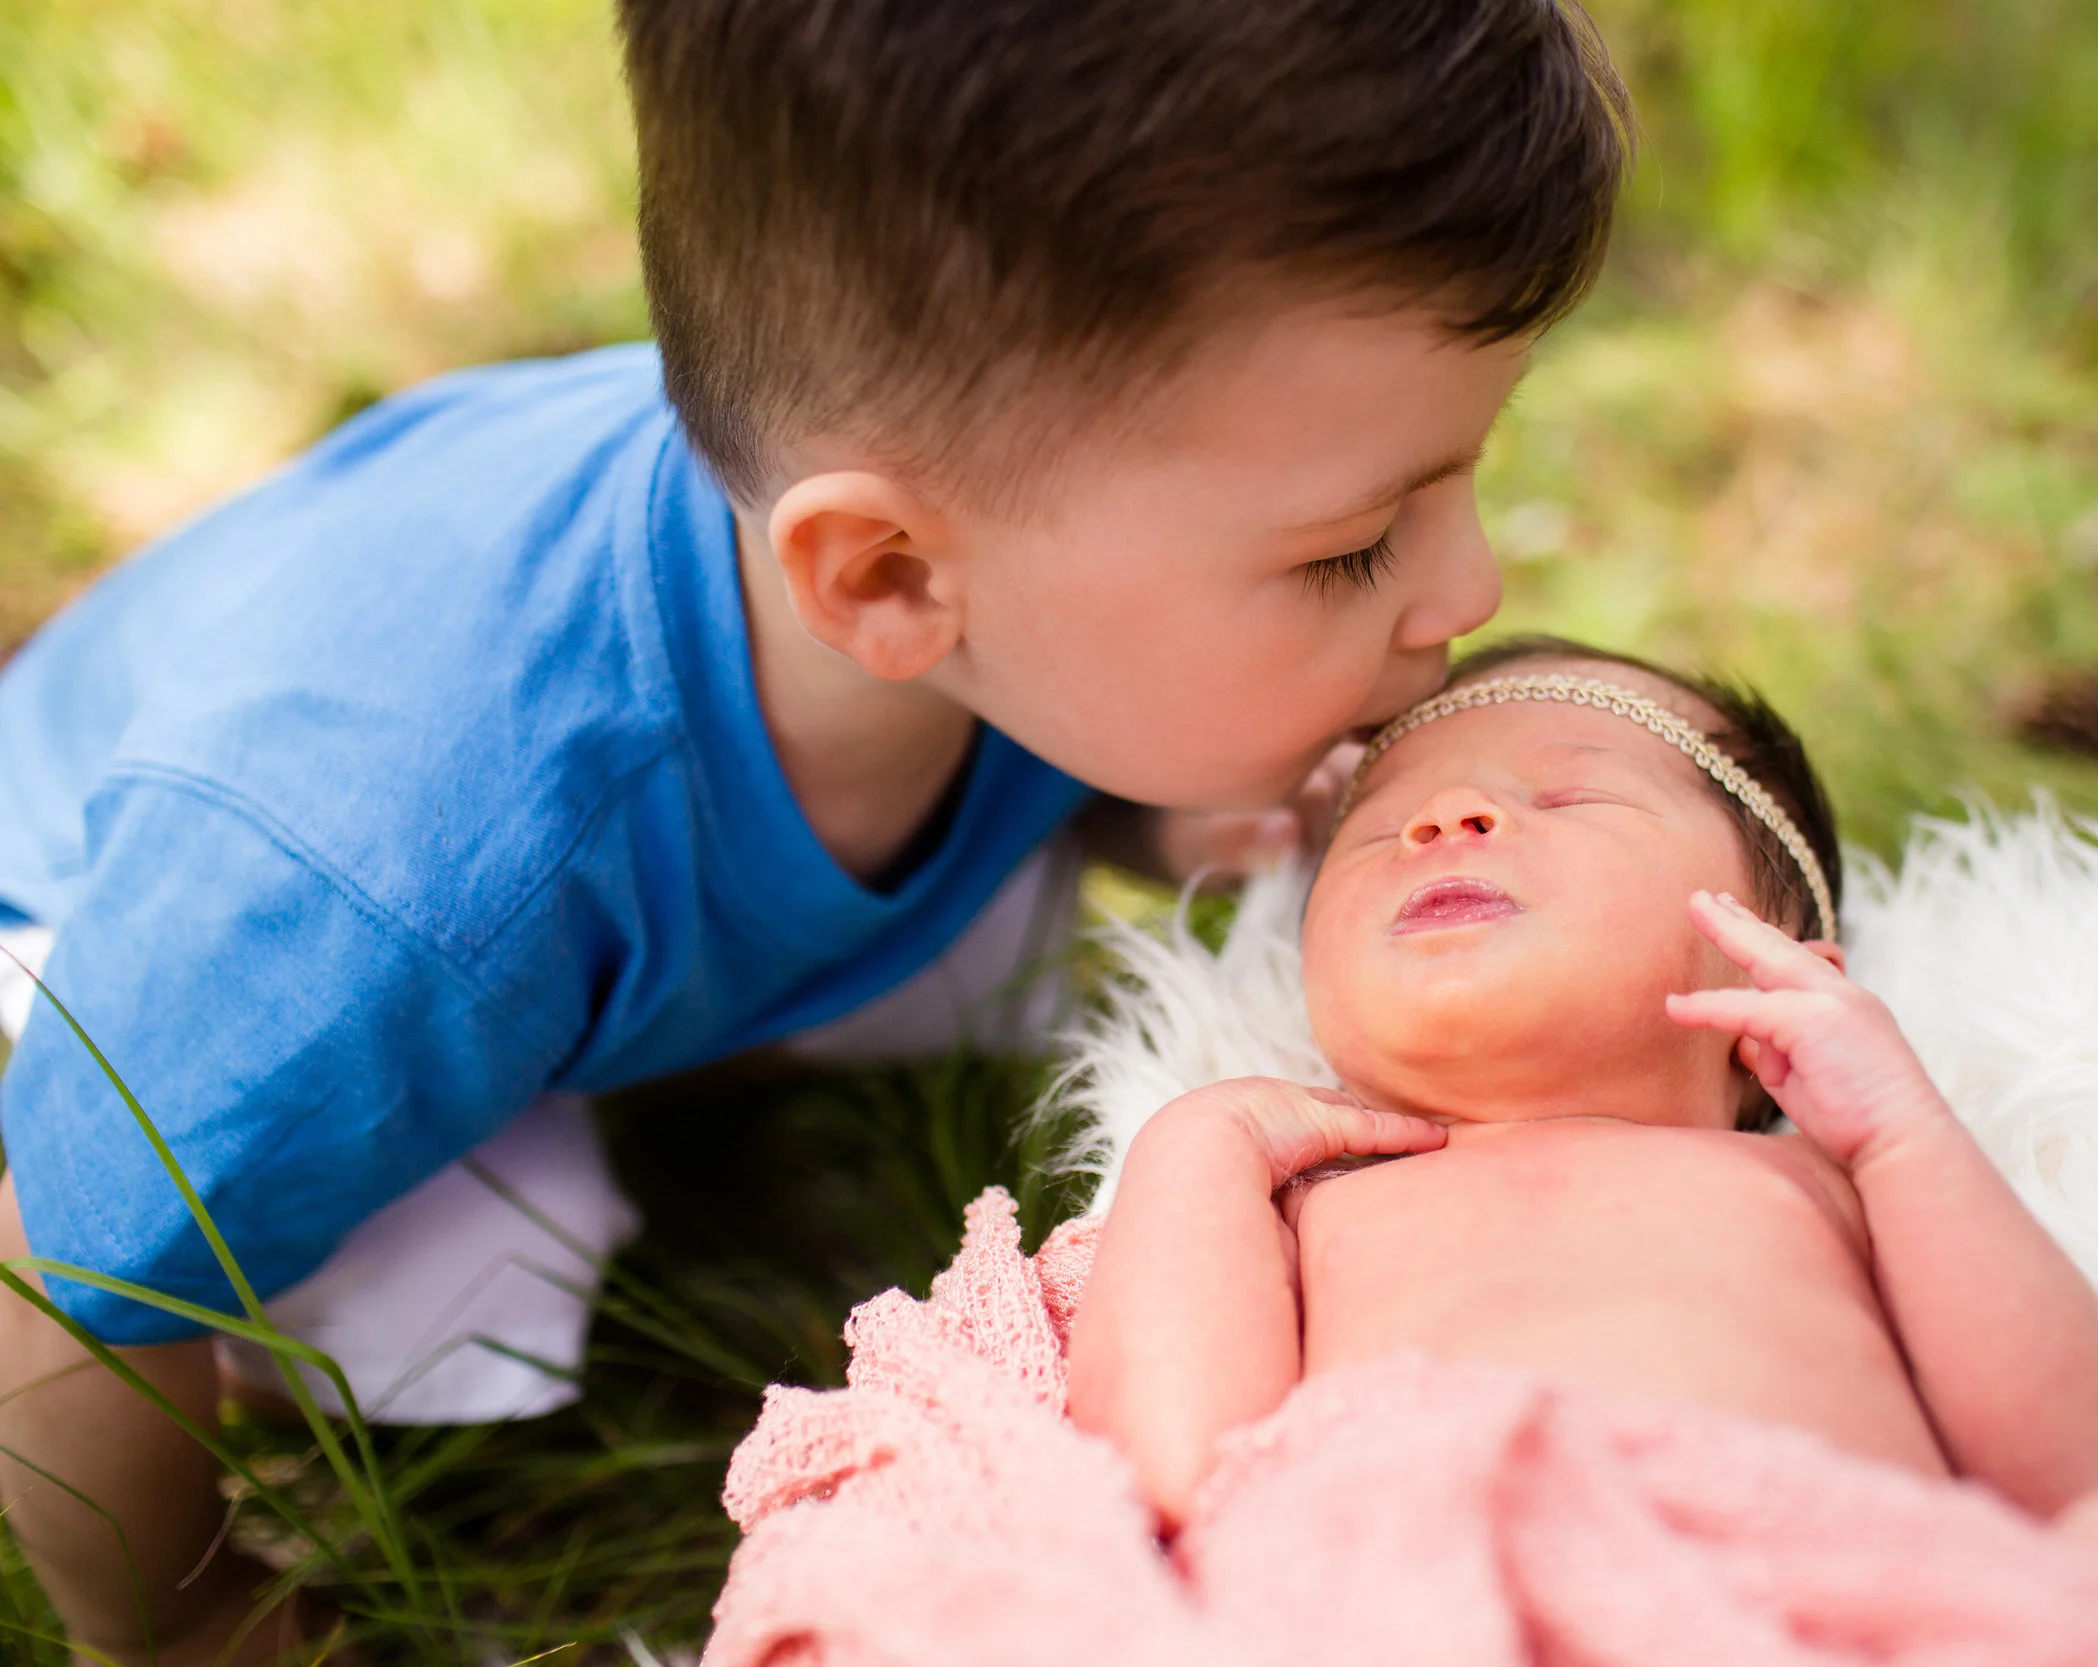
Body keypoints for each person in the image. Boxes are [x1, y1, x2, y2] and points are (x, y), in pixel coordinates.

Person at [0, 3, 1631, 1660]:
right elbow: (70, 1266)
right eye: (1352, 546)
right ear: (890, 579)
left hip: (607, 846)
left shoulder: (961, 545)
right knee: (446, 1288)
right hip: (100, 938)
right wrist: (181, 1622)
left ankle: (687, 1043)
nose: (1474, 584)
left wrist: (1173, 808)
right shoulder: (385, 872)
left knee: (1006, 946)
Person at [1068, 638, 2098, 1664]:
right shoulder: (1310, 1204)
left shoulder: (1822, 1182)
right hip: (1421, 1593)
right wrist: (1198, 1147)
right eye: (1378, 826)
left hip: (1804, 1593)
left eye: (1569, 796)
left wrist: (1904, 1134)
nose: (1442, 821)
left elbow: (2067, 1474)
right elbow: (1176, 1477)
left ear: (1774, 971)